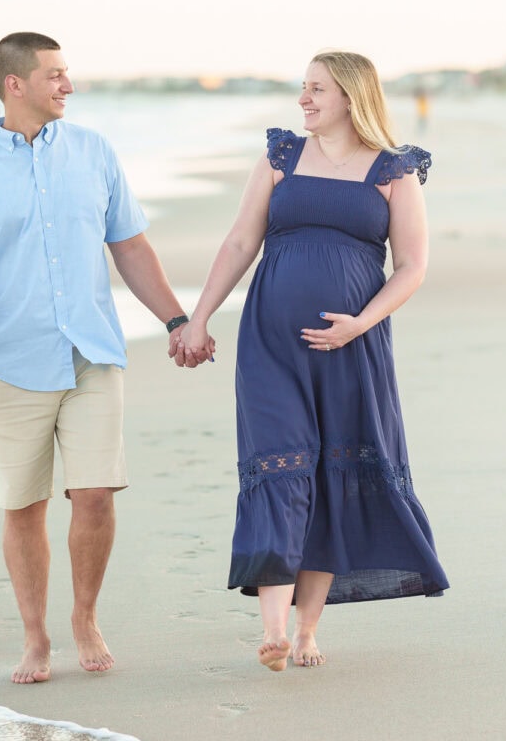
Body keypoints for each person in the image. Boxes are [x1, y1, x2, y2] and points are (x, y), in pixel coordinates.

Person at [0, 32, 208, 685]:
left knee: (95, 494)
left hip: (92, 354)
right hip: (10, 361)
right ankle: (35, 637)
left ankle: (85, 615)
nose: (68, 86)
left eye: (67, 73)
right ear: (14, 84)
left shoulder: (94, 153)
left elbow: (131, 248)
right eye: (54, 75)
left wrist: (175, 318)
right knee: (23, 506)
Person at [177, 50, 448, 672]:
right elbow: (242, 240)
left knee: (329, 473)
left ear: (351, 97)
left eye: (316, 89)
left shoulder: (393, 172)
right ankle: (272, 629)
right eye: (303, 88)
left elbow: (412, 266)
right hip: (270, 343)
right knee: (278, 464)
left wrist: (361, 323)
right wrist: (199, 317)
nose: (303, 99)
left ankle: (306, 631)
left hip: (352, 348)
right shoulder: (279, 159)